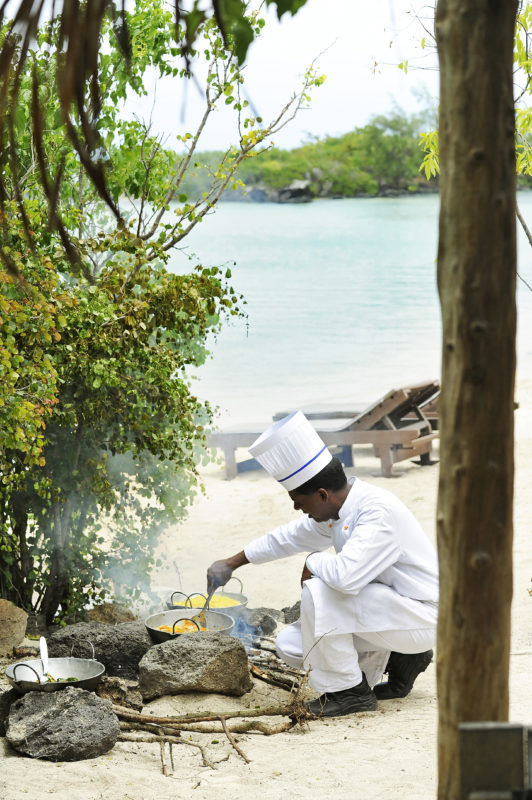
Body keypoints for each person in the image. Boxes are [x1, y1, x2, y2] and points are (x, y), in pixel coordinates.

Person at [207, 410, 438, 718]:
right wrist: (232, 563)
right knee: (291, 644)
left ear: (322, 494)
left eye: (299, 500)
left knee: (320, 592)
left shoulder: (376, 512)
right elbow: (287, 537)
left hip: (423, 615)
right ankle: (401, 659)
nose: (296, 506)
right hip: (389, 613)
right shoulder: (337, 509)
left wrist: (313, 562)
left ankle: (351, 694)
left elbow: (346, 579)